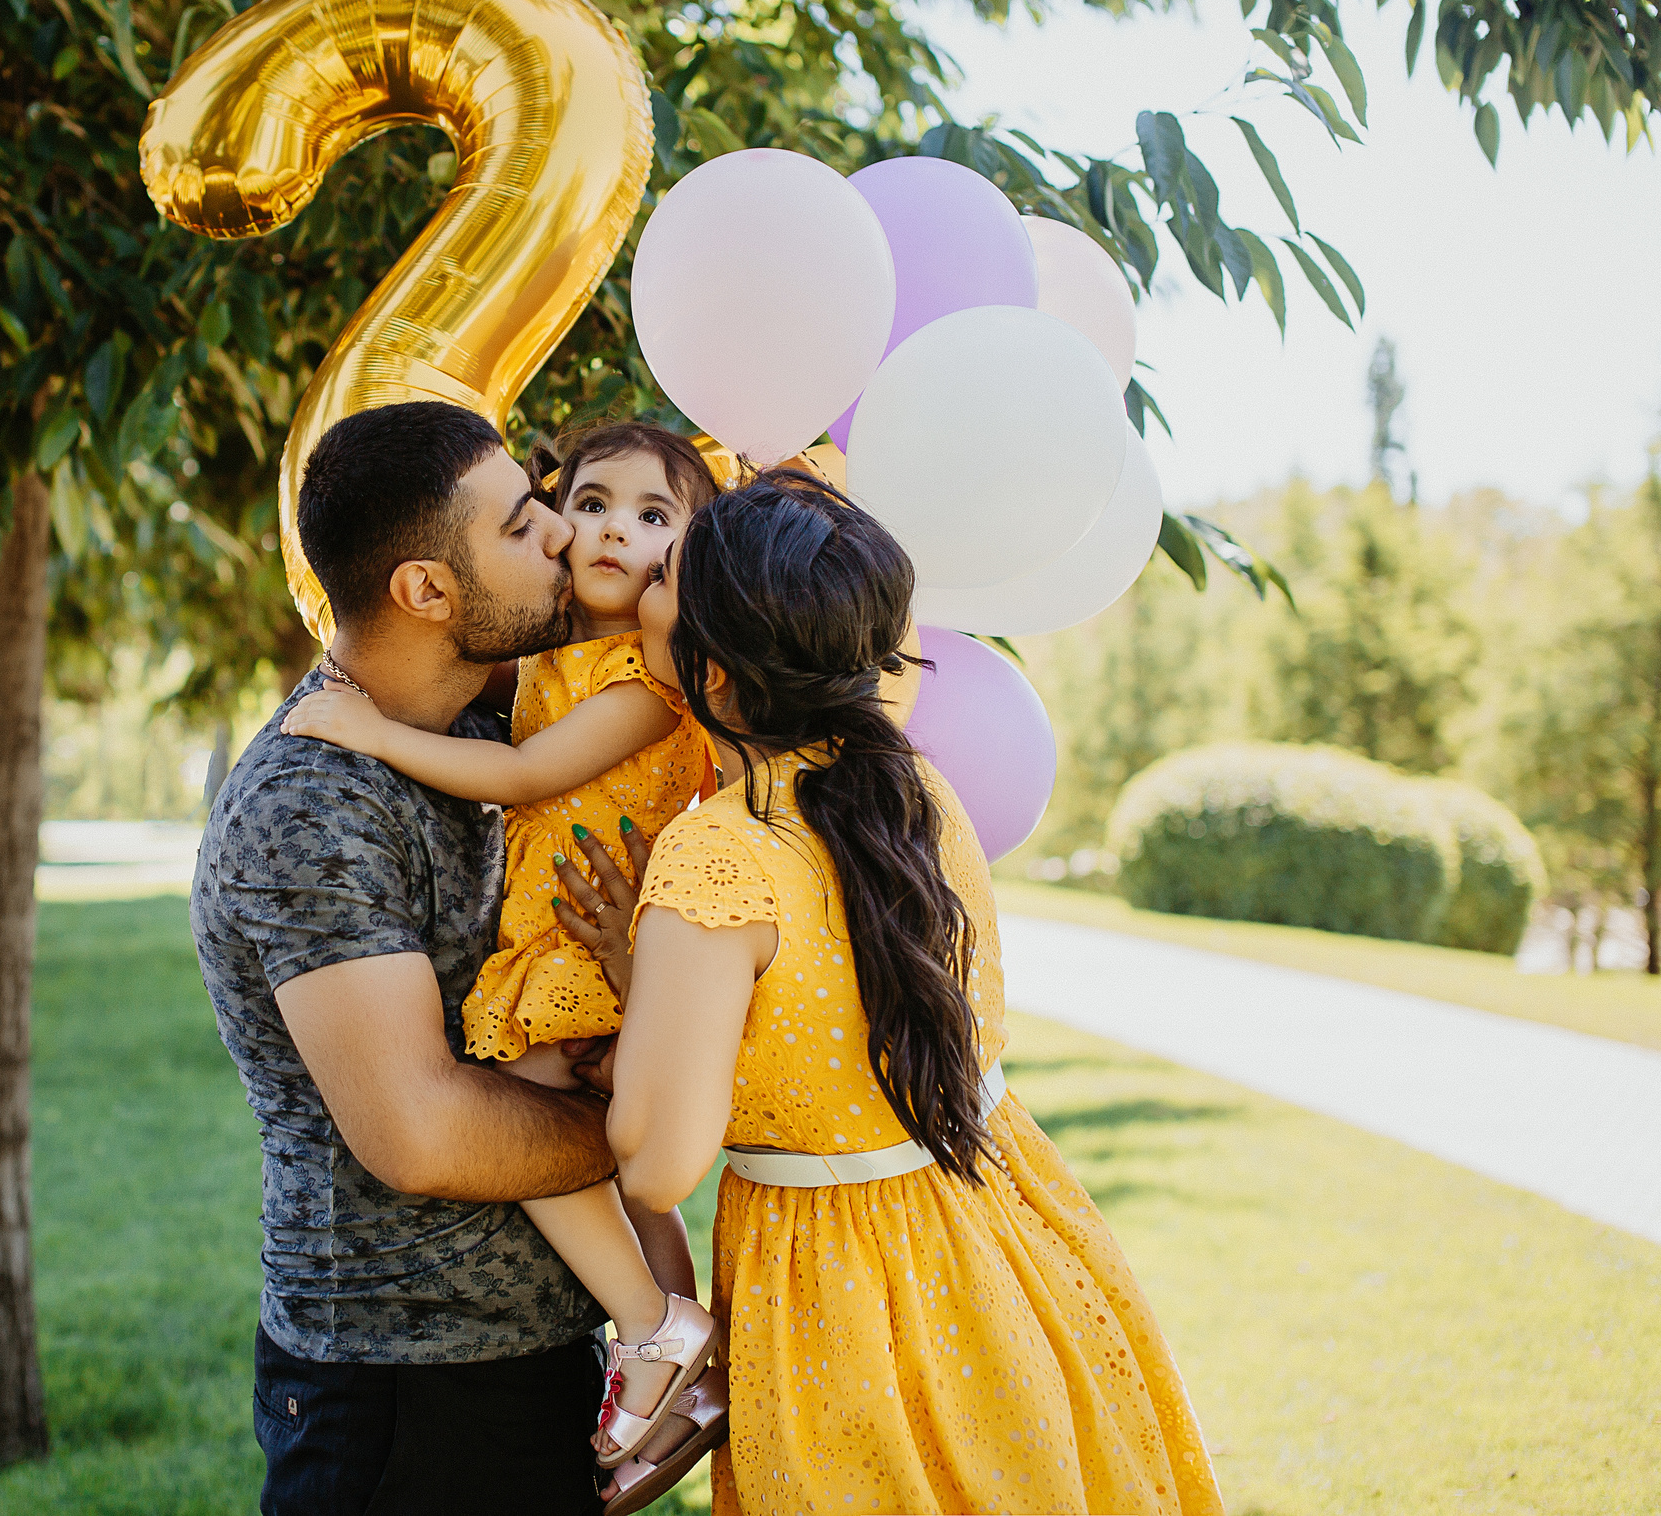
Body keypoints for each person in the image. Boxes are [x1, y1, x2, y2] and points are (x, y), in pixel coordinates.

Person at [579, 465, 1226, 1515]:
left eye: (665, 583)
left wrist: (640, 984)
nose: (639, 582)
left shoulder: (716, 854)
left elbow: (657, 1160)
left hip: (841, 1287)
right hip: (1004, 1226)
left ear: (715, 672)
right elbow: (832, 1000)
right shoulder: (915, 790)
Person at [191, 400, 655, 1515]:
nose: (558, 532)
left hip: (531, 1364)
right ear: (426, 592)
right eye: (517, 525)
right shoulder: (312, 799)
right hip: (403, 1400)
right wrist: (655, 1127)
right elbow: (423, 1135)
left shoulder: (494, 738)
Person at [282, 419, 728, 1495]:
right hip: (401, 1373)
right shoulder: (533, 665)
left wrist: (377, 731)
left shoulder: (637, 680)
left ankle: (652, 1327)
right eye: (576, 508)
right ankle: (672, 1337)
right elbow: (422, 1137)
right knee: (622, 1171)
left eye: (652, 518)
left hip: (575, 937)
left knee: (535, 1094)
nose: (598, 534)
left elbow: (530, 772)